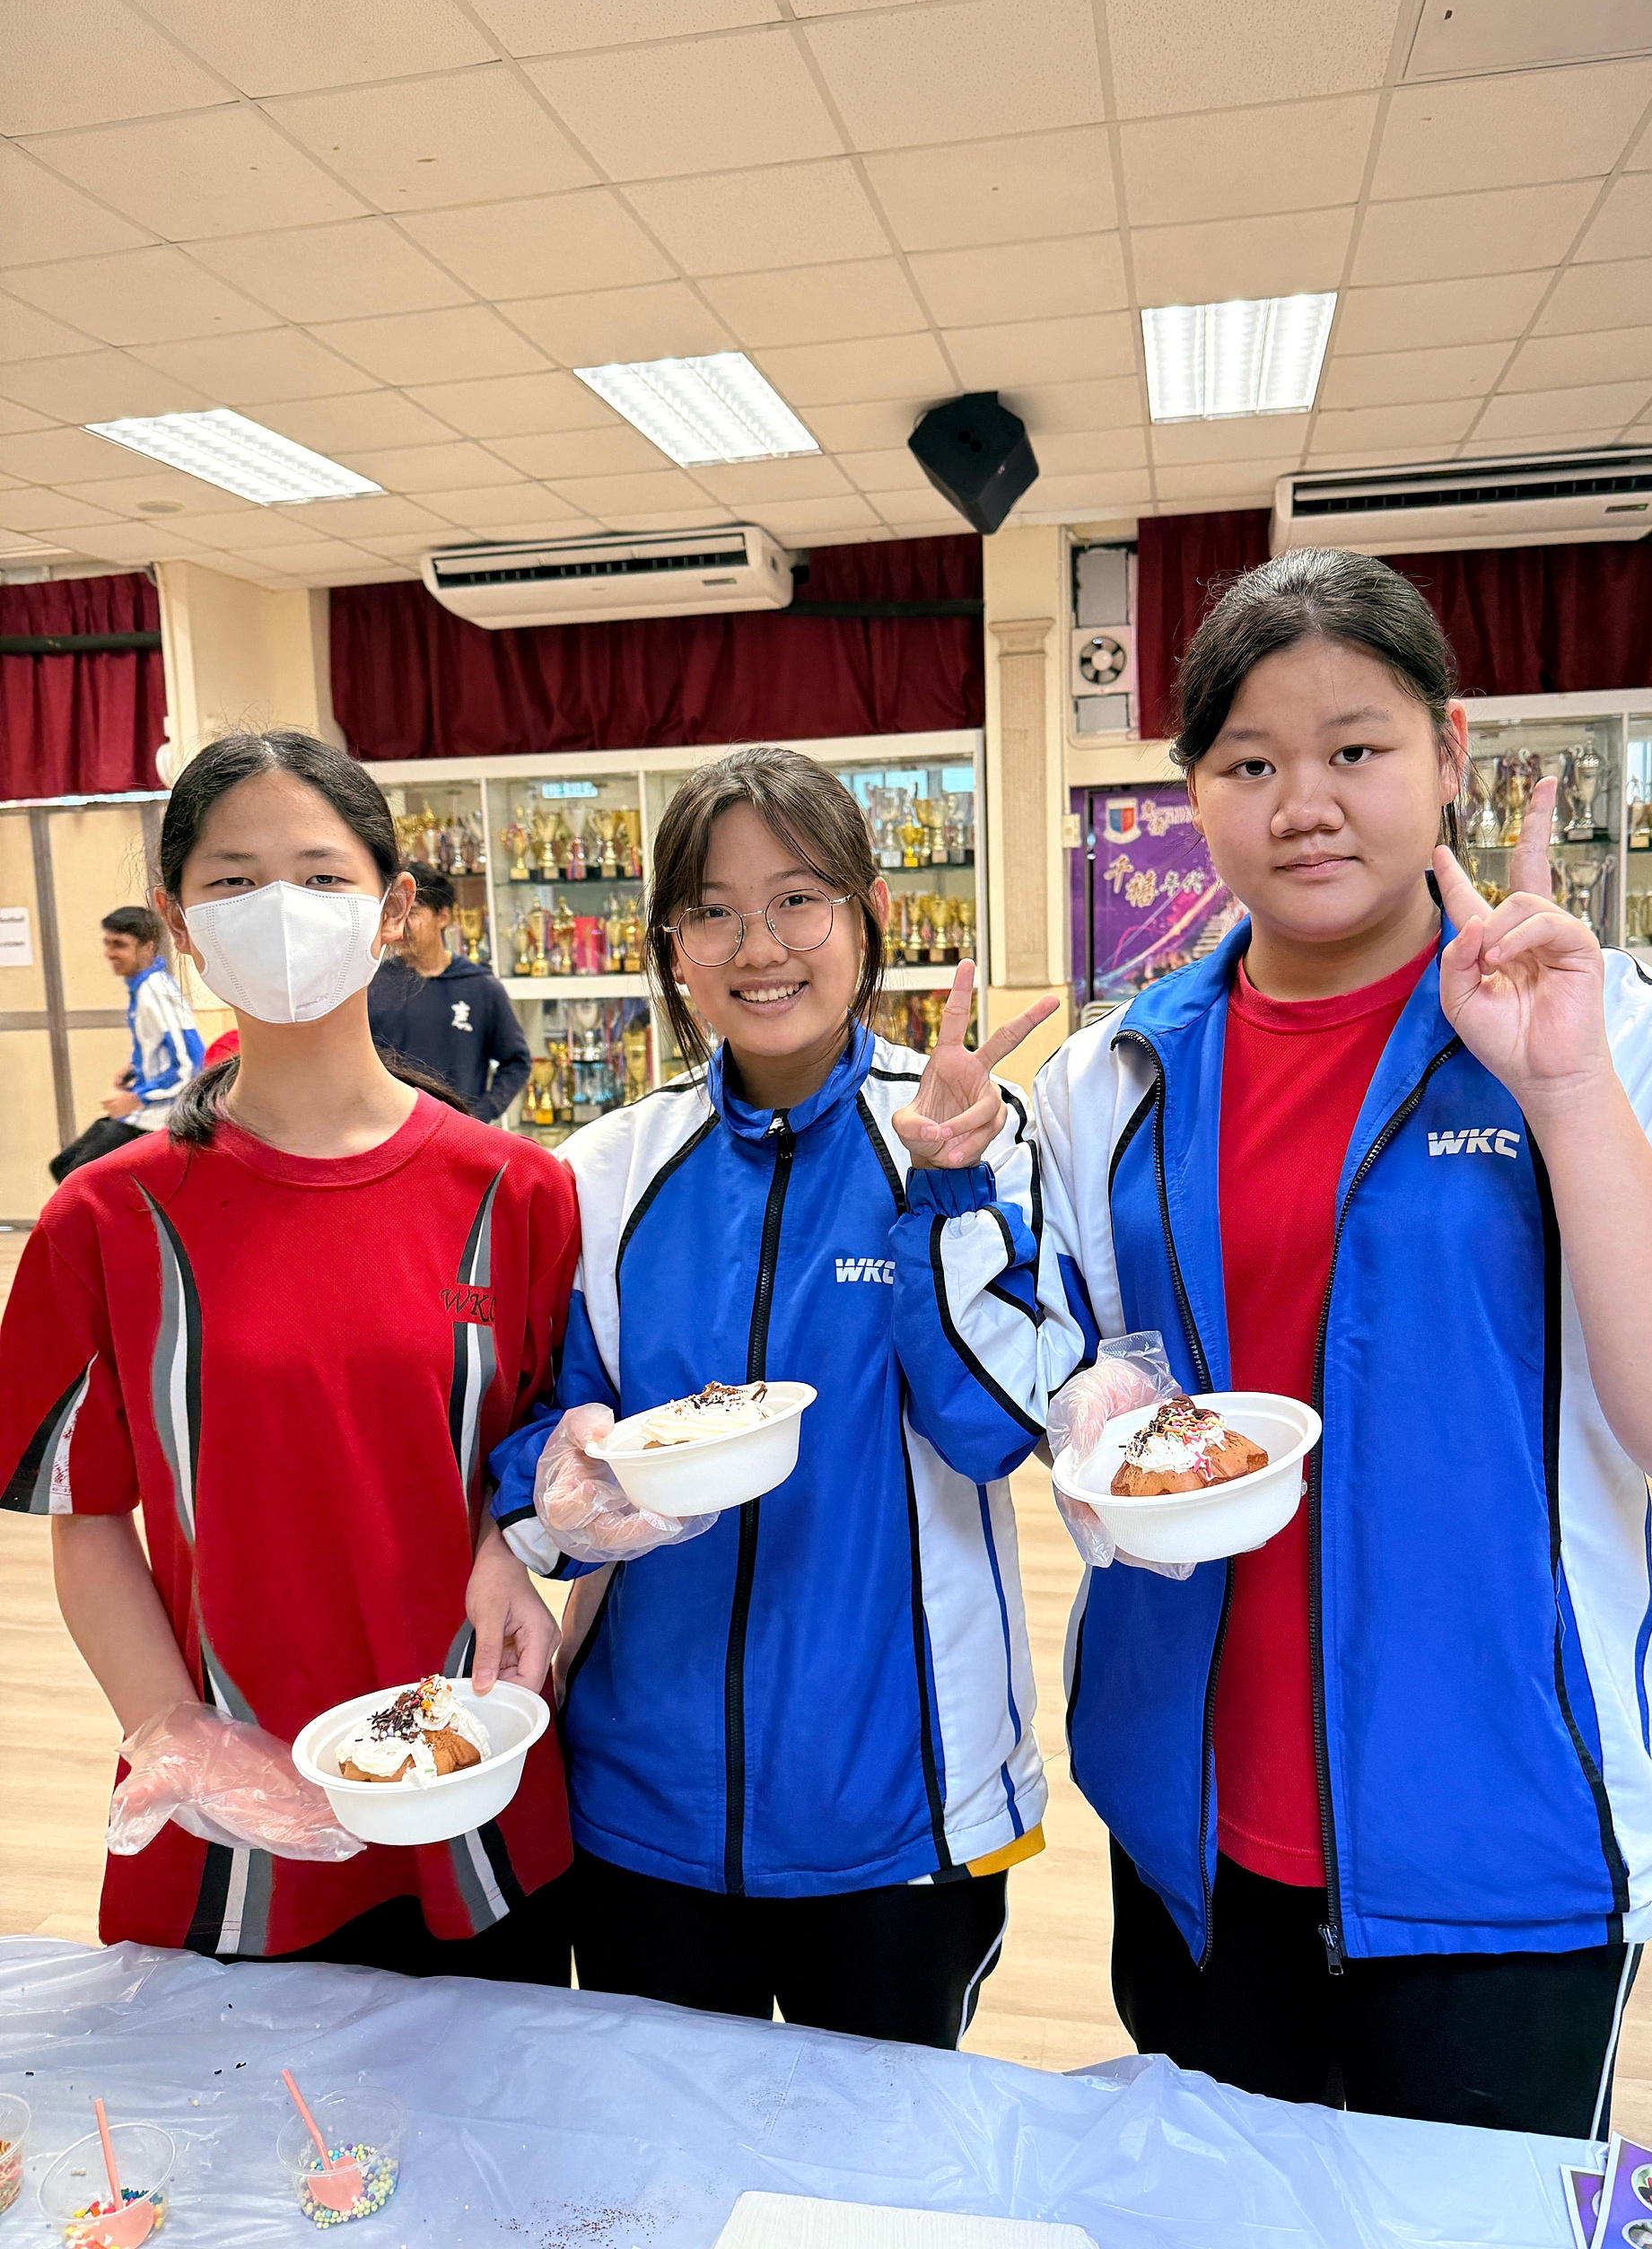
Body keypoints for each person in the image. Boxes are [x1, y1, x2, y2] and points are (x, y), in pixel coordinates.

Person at [1005, 548, 1652, 2135]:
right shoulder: (1109, 1078)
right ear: (1194, 792)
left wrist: (1563, 1087)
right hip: (1193, 1832)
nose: (1305, 806)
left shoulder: (1621, 1036)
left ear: (1450, 752)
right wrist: (1089, 1404)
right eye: (1250, 764)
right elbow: (1090, 1365)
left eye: (1355, 749)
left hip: (1506, 1848)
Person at [487, 744, 1058, 2047]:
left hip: (899, 1807)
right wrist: (557, 1487)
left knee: (884, 2153)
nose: (761, 946)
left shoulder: (978, 1131)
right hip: (641, 1804)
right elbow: (533, 1451)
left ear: (867, 913)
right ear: (672, 947)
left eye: (798, 899)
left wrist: (946, 1196)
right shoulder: (606, 1172)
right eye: (714, 911)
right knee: (666, 2150)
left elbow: (989, 1431)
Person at [0, 731, 578, 1979]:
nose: (281, 911)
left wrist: (522, 1542)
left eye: (320, 877)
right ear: (181, 922)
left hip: (472, 1785)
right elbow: (88, 1519)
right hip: (233, 1827)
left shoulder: (518, 1193)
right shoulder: (105, 1220)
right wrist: (173, 1729)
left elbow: (542, 1452)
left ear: (393, 908)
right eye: (233, 881)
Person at [368, 861, 530, 1124]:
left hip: (459, 1133)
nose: (401, 924)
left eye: (412, 912)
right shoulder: (373, 985)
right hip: (391, 1131)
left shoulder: (480, 987)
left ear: (443, 916)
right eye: (394, 912)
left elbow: (516, 1062)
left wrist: (479, 1114)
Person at [48, 906, 204, 1181]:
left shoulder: (156, 993)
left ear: (148, 947)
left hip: (156, 1119)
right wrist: (134, 1069)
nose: (109, 953)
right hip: (142, 1112)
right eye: (107, 943)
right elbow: (161, 1048)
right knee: (63, 1166)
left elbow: (190, 1064)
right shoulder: (143, 988)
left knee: (77, 1176)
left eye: (119, 945)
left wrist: (136, 1097)